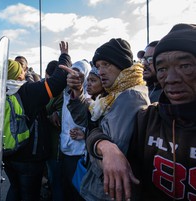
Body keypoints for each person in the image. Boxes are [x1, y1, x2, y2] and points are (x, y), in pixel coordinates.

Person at [89, 23, 196, 201]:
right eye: (162, 69)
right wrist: (106, 147)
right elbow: (97, 132)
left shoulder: (131, 97)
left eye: (185, 66)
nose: (171, 78)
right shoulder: (149, 118)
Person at [79, 38, 150, 200]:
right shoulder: (114, 94)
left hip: (107, 192)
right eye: (98, 66)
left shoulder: (130, 96)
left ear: (121, 64)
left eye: (106, 64)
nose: (101, 71)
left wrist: (94, 141)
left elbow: (109, 159)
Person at [3, 41, 72, 201]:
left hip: (7, 154)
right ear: (18, 74)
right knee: (29, 195)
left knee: (14, 190)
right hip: (30, 158)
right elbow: (58, 81)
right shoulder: (27, 90)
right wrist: (65, 56)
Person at [59, 59, 91, 201]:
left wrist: (85, 136)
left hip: (80, 153)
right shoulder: (66, 93)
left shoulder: (91, 97)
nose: (75, 76)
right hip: (65, 150)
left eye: (79, 73)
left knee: (78, 192)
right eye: (73, 71)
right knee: (67, 190)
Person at [44, 60, 64, 201]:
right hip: (51, 147)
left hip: (57, 147)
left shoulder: (59, 93)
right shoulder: (53, 92)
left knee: (57, 183)